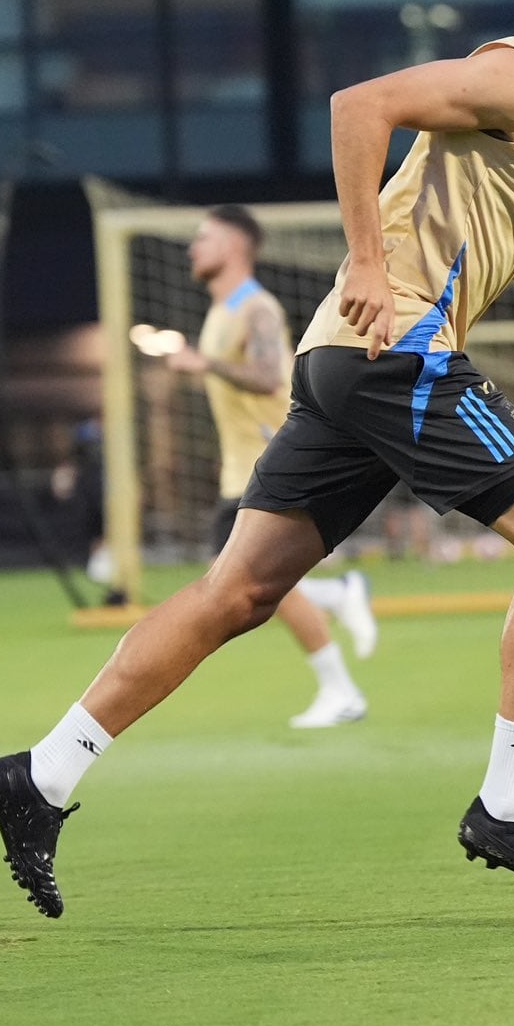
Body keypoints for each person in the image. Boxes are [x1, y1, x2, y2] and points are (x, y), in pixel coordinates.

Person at [0, 0, 514, 918]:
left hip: (349, 355)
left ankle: (39, 773)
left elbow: (504, 226)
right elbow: (357, 104)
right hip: (395, 345)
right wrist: (369, 261)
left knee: (238, 591)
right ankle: (506, 803)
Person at [162, 204, 379, 729]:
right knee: (242, 581)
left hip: (268, 465)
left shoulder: (256, 307)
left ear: (235, 246)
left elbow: (266, 377)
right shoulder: (220, 311)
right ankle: (338, 598)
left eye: (204, 236)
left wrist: (204, 363)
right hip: (242, 467)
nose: (194, 247)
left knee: (245, 584)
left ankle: (341, 688)